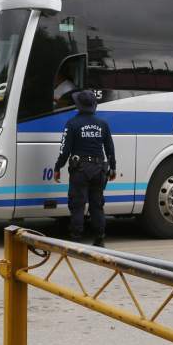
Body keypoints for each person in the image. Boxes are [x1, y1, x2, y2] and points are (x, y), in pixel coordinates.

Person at [53, 90, 115, 246]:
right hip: (99, 169)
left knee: (77, 205)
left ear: (78, 105)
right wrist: (113, 168)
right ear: (94, 105)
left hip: (80, 170)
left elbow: (64, 150)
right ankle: (99, 238)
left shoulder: (72, 123)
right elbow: (110, 148)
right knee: (97, 205)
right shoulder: (103, 124)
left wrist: (58, 167)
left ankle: (76, 239)